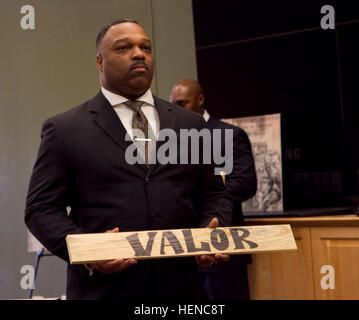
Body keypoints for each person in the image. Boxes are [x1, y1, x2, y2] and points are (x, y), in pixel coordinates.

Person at [24, 19, 233, 300]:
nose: (138, 54)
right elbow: (41, 208)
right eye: (124, 47)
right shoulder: (65, 129)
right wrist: (88, 251)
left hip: (181, 289)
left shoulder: (190, 124)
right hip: (104, 289)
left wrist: (209, 229)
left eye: (145, 47)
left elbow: (213, 194)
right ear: (100, 61)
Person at [170, 79, 257, 300]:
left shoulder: (229, 135)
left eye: (182, 104)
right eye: (173, 105)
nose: (176, 111)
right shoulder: (169, 141)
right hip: (182, 252)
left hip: (221, 248)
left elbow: (245, 183)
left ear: (200, 100)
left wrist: (207, 195)